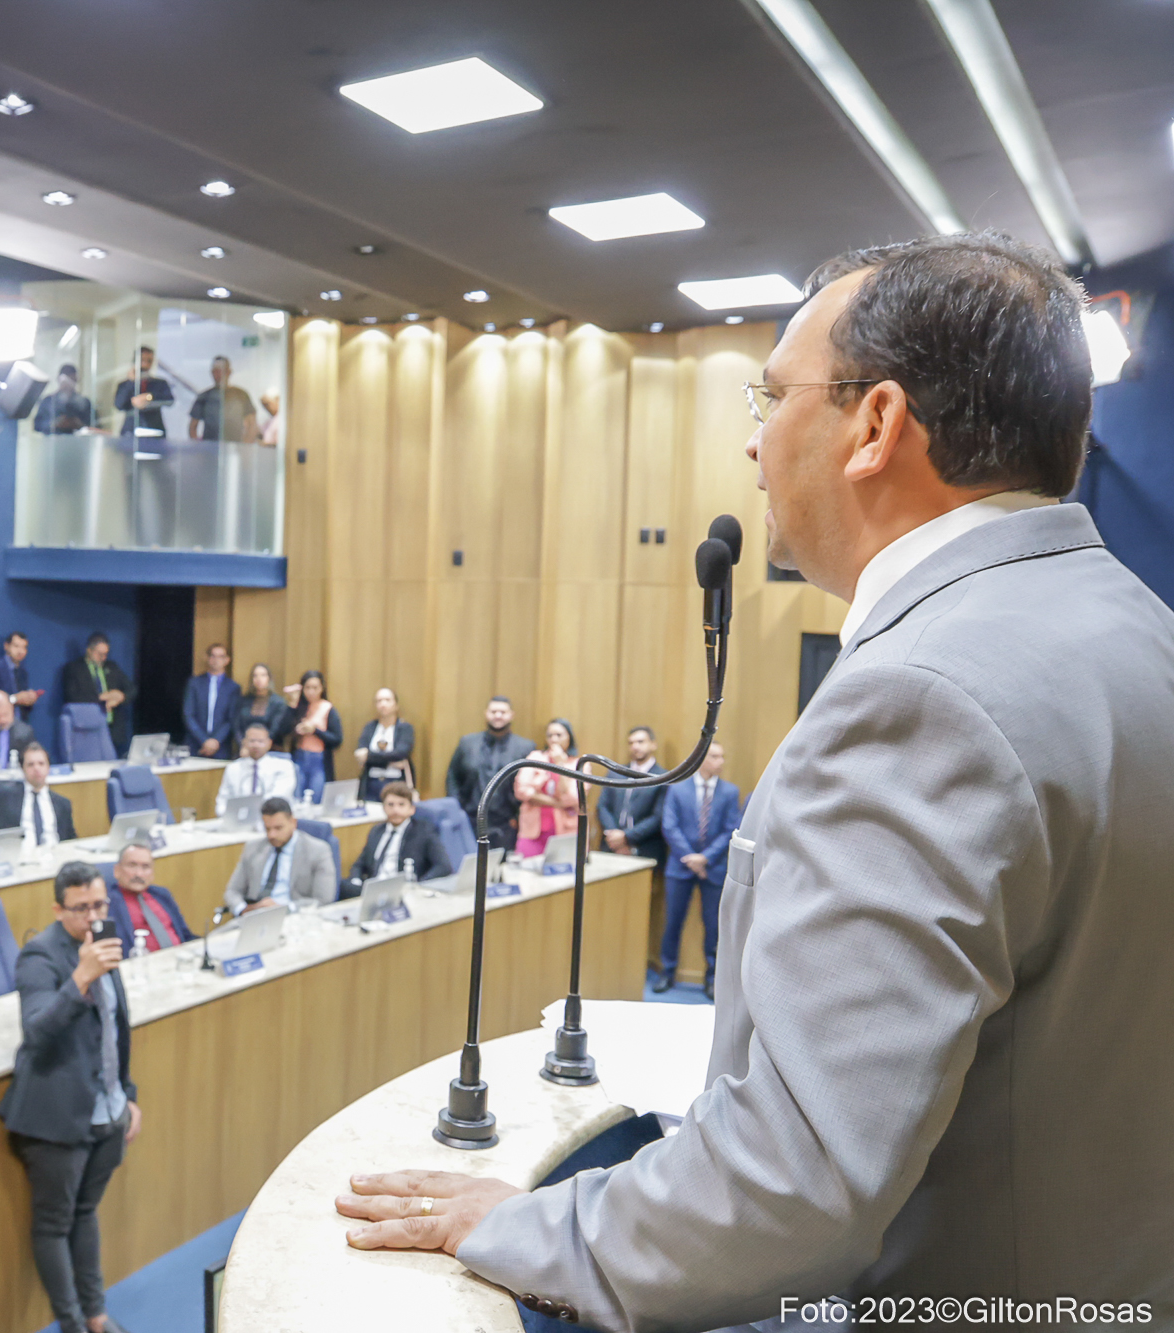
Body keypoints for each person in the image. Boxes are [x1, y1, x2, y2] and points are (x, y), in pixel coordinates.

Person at [338, 233, 1174, 1322]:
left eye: (772, 396)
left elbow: (787, 1188)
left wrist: (521, 1222)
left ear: (874, 425)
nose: (753, 440)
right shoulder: (1137, 627)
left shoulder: (919, 699)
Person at [0, 861, 141, 1333]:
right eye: (81, 908)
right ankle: (72, 1324)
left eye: (100, 904)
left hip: (108, 1112)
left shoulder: (104, 944)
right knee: (54, 1223)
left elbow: (115, 1029)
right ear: (59, 910)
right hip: (56, 1118)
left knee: (86, 1211)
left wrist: (127, 1094)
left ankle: (96, 1315)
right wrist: (81, 977)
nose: (93, 916)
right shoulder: (39, 956)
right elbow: (37, 1031)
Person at [654, 742, 739, 997]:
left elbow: (730, 829)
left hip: (713, 868)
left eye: (722, 756)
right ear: (701, 758)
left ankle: (712, 978)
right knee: (672, 922)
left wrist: (704, 858)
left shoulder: (730, 792)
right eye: (714, 756)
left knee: (713, 926)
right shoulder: (677, 788)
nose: (720, 761)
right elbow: (669, 826)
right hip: (680, 867)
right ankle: (667, 972)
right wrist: (690, 858)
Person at [223, 796, 337, 914]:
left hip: (293, 916)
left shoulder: (317, 851)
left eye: (278, 828)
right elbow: (232, 891)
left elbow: (323, 900)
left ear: (293, 822)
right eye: (267, 829)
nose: (272, 835)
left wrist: (283, 909)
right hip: (254, 914)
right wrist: (243, 909)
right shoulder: (253, 848)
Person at [443, 696, 535, 833]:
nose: (498, 716)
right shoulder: (467, 743)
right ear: (486, 714)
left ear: (511, 715)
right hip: (469, 819)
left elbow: (530, 785)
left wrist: (517, 816)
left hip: (508, 823)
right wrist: (457, 810)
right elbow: (452, 777)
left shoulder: (525, 748)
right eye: (493, 712)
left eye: (503, 712)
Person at [346, 782, 453, 895]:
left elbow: (443, 866)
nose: (395, 810)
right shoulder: (376, 831)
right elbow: (359, 864)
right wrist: (356, 881)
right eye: (390, 805)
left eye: (401, 805)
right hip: (374, 888)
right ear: (384, 808)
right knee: (342, 886)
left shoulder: (424, 831)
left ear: (412, 809)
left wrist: (419, 885)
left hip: (404, 889)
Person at [0, 744, 76, 846]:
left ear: (48, 768)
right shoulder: (3, 794)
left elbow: (70, 839)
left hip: (54, 857)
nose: (36, 768)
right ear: (22, 769)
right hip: (16, 857)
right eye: (30, 765)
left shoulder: (62, 804)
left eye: (41, 764)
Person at [106, 842, 194, 956]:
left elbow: (186, 935)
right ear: (117, 870)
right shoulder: (107, 902)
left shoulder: (162, 894)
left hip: (179, 958)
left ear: (152, 873)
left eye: (145, 867)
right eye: (132, 865)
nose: (139, 874)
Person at [510, 719, 581, 860]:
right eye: (550, 735)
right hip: (533, 830)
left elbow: (572, 798)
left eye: (559, 735)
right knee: (524, 868)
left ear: (569, 737)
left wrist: (560, 764)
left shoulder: (578, 764)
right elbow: (521, 790)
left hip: (564, 831)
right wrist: (556, 803)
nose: (554, 739)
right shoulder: (535, 757)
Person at [597, 726, 668, 867]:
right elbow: (602, 806)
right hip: (611, 847)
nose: (635, 746)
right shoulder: (615, 773)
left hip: (645, 848)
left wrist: (626, 837)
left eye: (640, 742)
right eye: (631, 743)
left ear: (653, 744)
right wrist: (615, 836)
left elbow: (658, 817)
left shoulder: (663, 777)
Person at [62, 633, 132, 753]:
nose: (103, 658)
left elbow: (131, 689)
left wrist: (121, 697)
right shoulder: (74, 668)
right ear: (89, 650)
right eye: (100, 654)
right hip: (87, 729)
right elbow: (71, 697)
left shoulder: (112, 667)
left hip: (113, 729)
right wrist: (101, 698)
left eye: (106, 654)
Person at [214, 721, 297, 814]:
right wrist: (225, 815)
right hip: (238, 818)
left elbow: (279, 797)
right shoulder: (233, 768)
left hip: (272, 816)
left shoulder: (284, 766)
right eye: (252, 741)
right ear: (244, 742)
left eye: (261, 741)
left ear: (269, 743)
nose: (256, 745)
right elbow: (223, 799)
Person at [284, 670, 340, 802]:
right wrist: (292, 706)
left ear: (322, 688)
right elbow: (283, 730)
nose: (311, 692)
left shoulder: (328, 708)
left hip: (319, 760)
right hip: (299, 757)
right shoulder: (299, 707)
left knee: (316, 798)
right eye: (307, 688)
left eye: (315, 688)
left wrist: (315, 731)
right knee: (296, 797)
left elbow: (337, 739)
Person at [352, 687, 414, 800]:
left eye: (387, 700)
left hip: (395, 783)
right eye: (379, 701)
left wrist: (369, 757)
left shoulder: (405, 728)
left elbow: (400, 753)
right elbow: (361, 753)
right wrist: (390, 763)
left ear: (396, 705)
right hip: (371, 783)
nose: (383, 704)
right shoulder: (370, 727)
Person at [181, 642, 240, 758]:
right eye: (213, 656)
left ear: (227, 660)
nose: (216, 660)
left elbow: (232, 718)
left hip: (221, 747)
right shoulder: (194, 683)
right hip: (195, 744)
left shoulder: (233, 687)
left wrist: (216, 741)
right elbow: (188, 714)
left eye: (221, 656)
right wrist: (204, 740)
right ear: (207, 658)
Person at [188, 355, 258, 443]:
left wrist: (245, 446)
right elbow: (193, 426)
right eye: (215, 371)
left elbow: (252, 424)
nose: (218, 375)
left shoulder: (241, 395)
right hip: (210, 448)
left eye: (222, 371)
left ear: (229, 372)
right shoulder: (204, 397)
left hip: (235, 446)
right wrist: (198, 447)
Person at [113, 345, 174, 437]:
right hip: (131, 431)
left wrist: (149, 397)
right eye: (142, 360)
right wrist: (131, 382)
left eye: (149, 361)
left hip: (154, 430)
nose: (145, 364)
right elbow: (119, 405)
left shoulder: (160, 383)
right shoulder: (125, 385)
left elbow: (169, 400)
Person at [230, 663, 290, 749]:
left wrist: (260, 746)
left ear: (269, 678)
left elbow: (275, 729)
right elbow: (237, 726)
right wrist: (244, 745)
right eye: (255, 676)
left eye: (263, 675)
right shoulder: (243, 700)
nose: (259, 679)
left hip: (270, 749)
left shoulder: (278, 702)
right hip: (244, 749)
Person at [33, 363, 97, 435]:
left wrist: (79, 424)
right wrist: (54, 424)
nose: (68, 384)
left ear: (76, 380)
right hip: (53, 441)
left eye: (71, 380)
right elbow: (37, 426)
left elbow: (94, 427)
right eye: (65, 381)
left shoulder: (84, 403)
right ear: (59, 380)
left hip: (78, 441)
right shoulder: (48, 402)